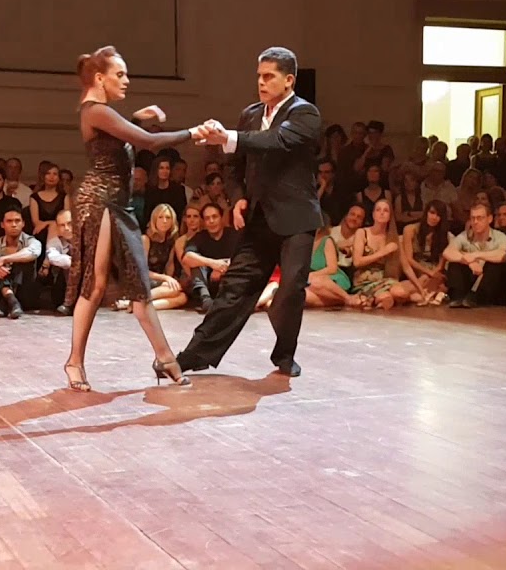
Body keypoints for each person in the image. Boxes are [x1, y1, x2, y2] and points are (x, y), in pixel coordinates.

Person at [63, 46, 203, 392]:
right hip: (101, 204)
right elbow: (148, 143)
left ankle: (165, 357)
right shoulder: (94, 110)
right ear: (100, 78)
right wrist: (193, 133)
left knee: (140, 285)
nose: (126, 81)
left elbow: (124, 136)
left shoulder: (102, 114)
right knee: (94, 287)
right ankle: (74, 362)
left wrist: (139, 118)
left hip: (118, 206)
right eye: (120, 75)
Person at [176, 47, 322, 378]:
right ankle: (195, 354)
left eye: (268, 76)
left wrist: (227, 136)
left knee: (289, 292)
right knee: (234, 289)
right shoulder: (250, 114)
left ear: (288, 80)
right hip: (258, 218)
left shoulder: (305, 114)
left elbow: (276, 141)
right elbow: (235, 165)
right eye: (259, 75)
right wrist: (239, 196)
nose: (261, 82)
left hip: (296, 220)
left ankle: (285, 354)